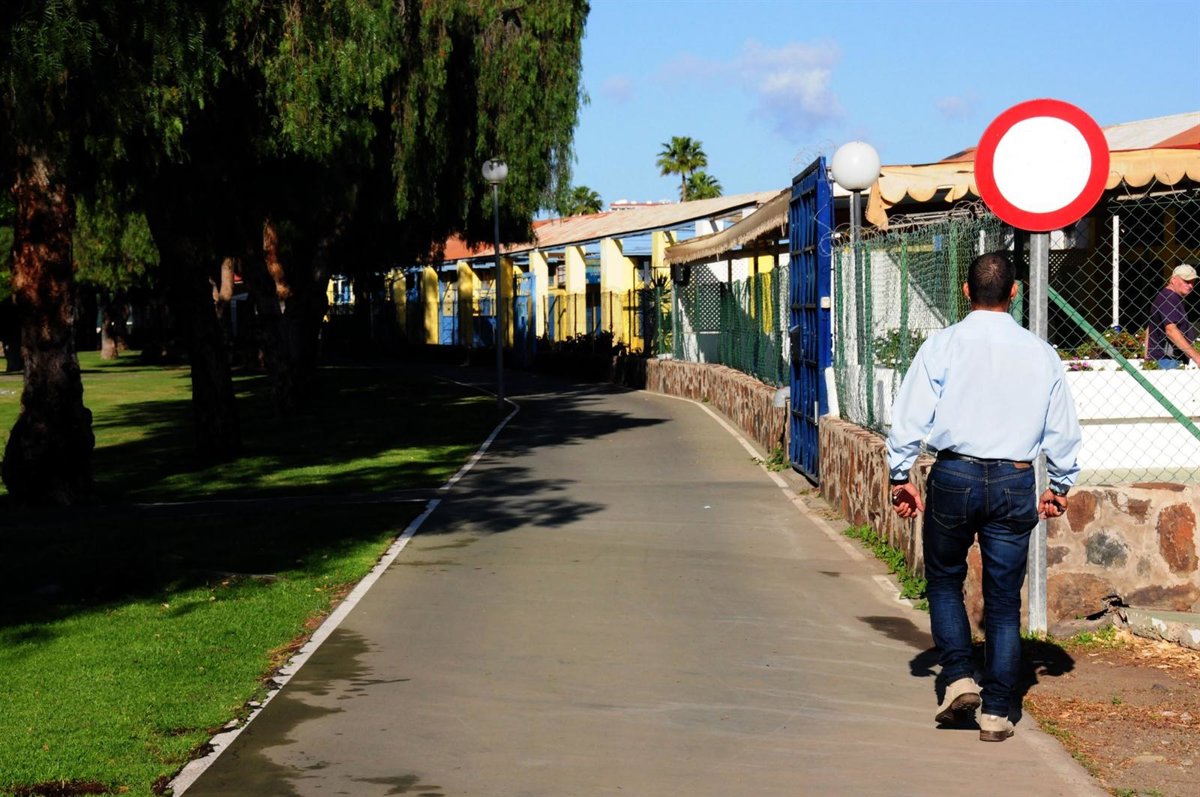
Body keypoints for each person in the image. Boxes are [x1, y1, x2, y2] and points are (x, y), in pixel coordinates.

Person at [885, 251, 1082, 743]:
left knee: (944, 580)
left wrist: (900, 474)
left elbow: (910, 415)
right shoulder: (1041, 352)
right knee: (1002, 599)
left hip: (954, 474)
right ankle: (996, 711)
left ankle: (957, 678)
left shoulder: (942, 345)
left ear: (966, 292)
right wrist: (1058, 485)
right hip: (1015, 480)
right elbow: (1062, 428)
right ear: (1014, 293)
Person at [1146, 264, 1200, 369]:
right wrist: (1197, 358)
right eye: (1186, 281)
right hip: (1167, 360)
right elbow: (1171, 331)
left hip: (1165, 360)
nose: (1190, 286)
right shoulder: (1169, 298)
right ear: (1173, 280)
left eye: (1192, 282)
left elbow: (1150, 327)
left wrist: (1147, 356)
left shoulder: (1171, 297)